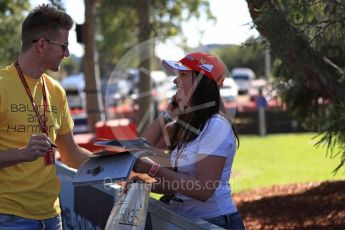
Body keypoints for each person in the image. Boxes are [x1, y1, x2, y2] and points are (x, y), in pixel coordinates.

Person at [0, 4, 91, 229]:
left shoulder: (56, 90)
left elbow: (70, 154)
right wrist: (22, 154)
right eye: (64, 46)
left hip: (52, 216)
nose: (67, 53)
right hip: (8, 217)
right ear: (41, 44)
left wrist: (115, 165)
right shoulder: (2, 86)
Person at [133, 52, 245, 229]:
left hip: (214, 222)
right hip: (185, 220)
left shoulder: (215, 126)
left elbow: (203, 189)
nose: (175, 81)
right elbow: (141, 149)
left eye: (183, 75)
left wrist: (153, 169)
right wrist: (167, 114)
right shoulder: (187, 125)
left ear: (201, 83)